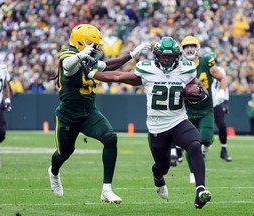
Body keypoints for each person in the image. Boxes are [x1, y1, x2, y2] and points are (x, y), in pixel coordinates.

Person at [85, 36, 212, 209]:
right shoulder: (147, 70)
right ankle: (158, 178)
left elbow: (195, 85)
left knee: (195, 145)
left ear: (177, 56)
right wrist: (92, 73)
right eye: (163, 56)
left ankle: (200, 191)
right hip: (157, 127)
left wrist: (202, 92)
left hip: (179, 120)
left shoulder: (187, 69)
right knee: (162, 166)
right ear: (157, 56)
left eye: (170, 57)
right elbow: (119, 75)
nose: (167, 60)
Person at [48, 24, 150, 204]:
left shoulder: (87, 58)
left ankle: (106, 189)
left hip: (88, 113)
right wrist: (81, 55)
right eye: (93, 44)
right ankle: (53, 172)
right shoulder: (69, 55)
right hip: (68, 115)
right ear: (82, 42)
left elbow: (108, 66)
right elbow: (67, 65)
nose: (95, 48)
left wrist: (132, 55)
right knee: (64, 153)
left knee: (110, 138)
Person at [170, 36, 227, 184]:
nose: (189, 49)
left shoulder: (205, 62)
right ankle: (193, 173)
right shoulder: (178, 66)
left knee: (206, 138)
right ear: (182, 50)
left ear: (197, 48)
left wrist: (222, 92)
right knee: (192, 144)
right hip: (187, 110)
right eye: (186, 47)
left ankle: (206, 147)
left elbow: (222, 78)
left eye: (192, 46)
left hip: (205, 108)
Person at [211, 66, 232, 162]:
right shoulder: (200, 67)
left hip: (216, 103)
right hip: (202, 103)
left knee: (222, 126)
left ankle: (224, 149)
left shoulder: (218, 70)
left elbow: (224, 85)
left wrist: (226, 103)